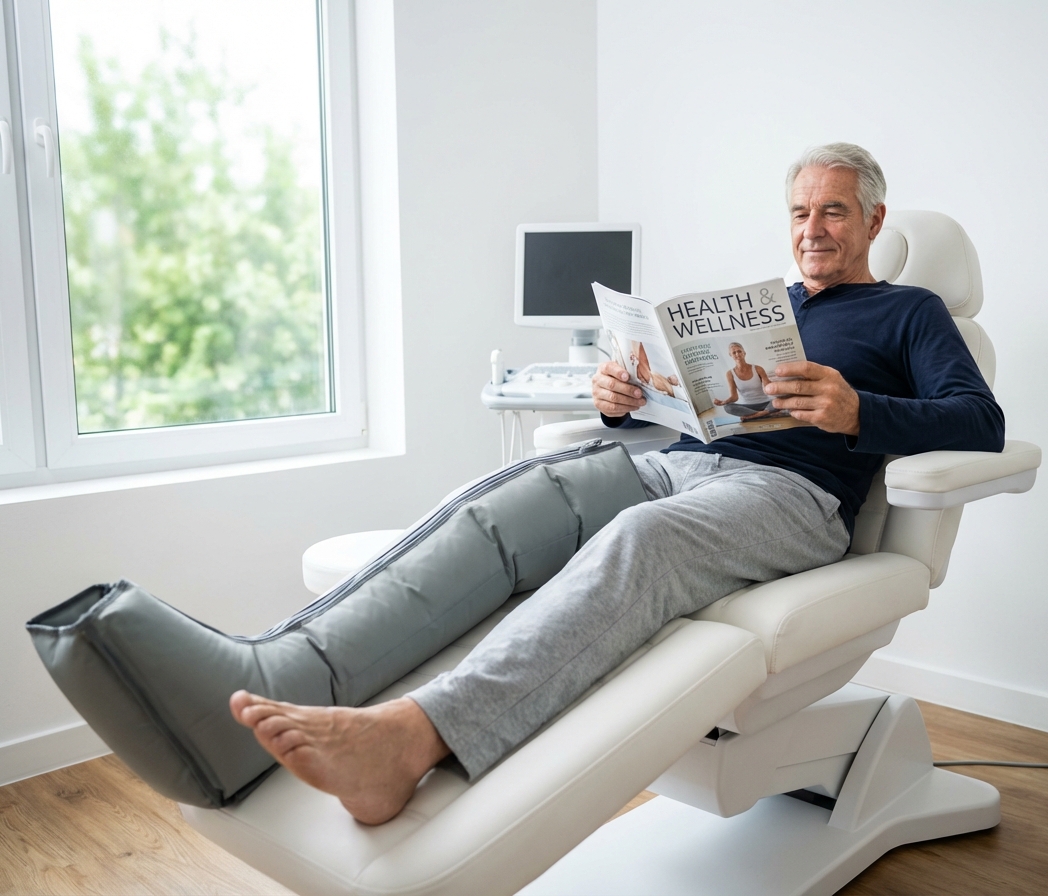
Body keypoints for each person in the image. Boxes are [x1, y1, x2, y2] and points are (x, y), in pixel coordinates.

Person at [229, 143, 1005, 826]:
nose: (812, 229)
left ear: (874, 222)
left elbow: (980, 422)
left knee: (638, 540)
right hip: (678, 462)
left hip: (792, 498)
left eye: (833, 212)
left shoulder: (911, 313)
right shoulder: (762, 308)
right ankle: (298, 662)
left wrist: (857, 410)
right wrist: (623, 401)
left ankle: (411, 739)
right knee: (511, 494)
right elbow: (694, 413)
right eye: (800, 211)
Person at [711, 342, 783, 419]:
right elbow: (734, 397)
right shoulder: (730, 373)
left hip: (765, 402)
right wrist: (723, 402)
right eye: (734, 352)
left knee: (780, 401)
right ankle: (765, 413)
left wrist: (781, 389)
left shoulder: (758, 368)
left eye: (739, 351)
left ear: (744, 353)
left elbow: (768, 387)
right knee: (728, 407)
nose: (737, 354)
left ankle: (754, 415)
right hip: (747, 407)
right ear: (730, 355)